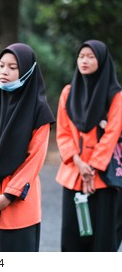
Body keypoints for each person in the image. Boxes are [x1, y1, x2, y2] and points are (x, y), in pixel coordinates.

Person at [0, 43, 55, 252]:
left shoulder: (38, 110)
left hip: (19, 207)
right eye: (1, 65)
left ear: (28, 71)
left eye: (13, 67)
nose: (4, 71)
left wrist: (8, 196)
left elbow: (35, 159)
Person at [55, 39, 122, 251]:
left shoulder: (115, 96)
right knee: (72, 236)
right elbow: (63, 132)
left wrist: (91, 169)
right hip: (73, 173)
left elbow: (112, 134)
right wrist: (78, 163)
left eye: (91, 56)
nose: (84, 60)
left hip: (102, 178)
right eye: (81, 56)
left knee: (103, 238)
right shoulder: (68, 92)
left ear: (101, 61)